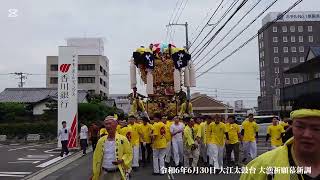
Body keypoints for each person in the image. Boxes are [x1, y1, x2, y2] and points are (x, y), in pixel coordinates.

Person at [240, 94, 320, 180]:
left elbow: (282, 132)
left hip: (277, 142)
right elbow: (265, 134)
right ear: (292, 125)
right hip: (270, 144)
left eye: (316, 128)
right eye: (300, 126)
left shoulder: (274, 126)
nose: (307, 135)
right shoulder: (259, 167)